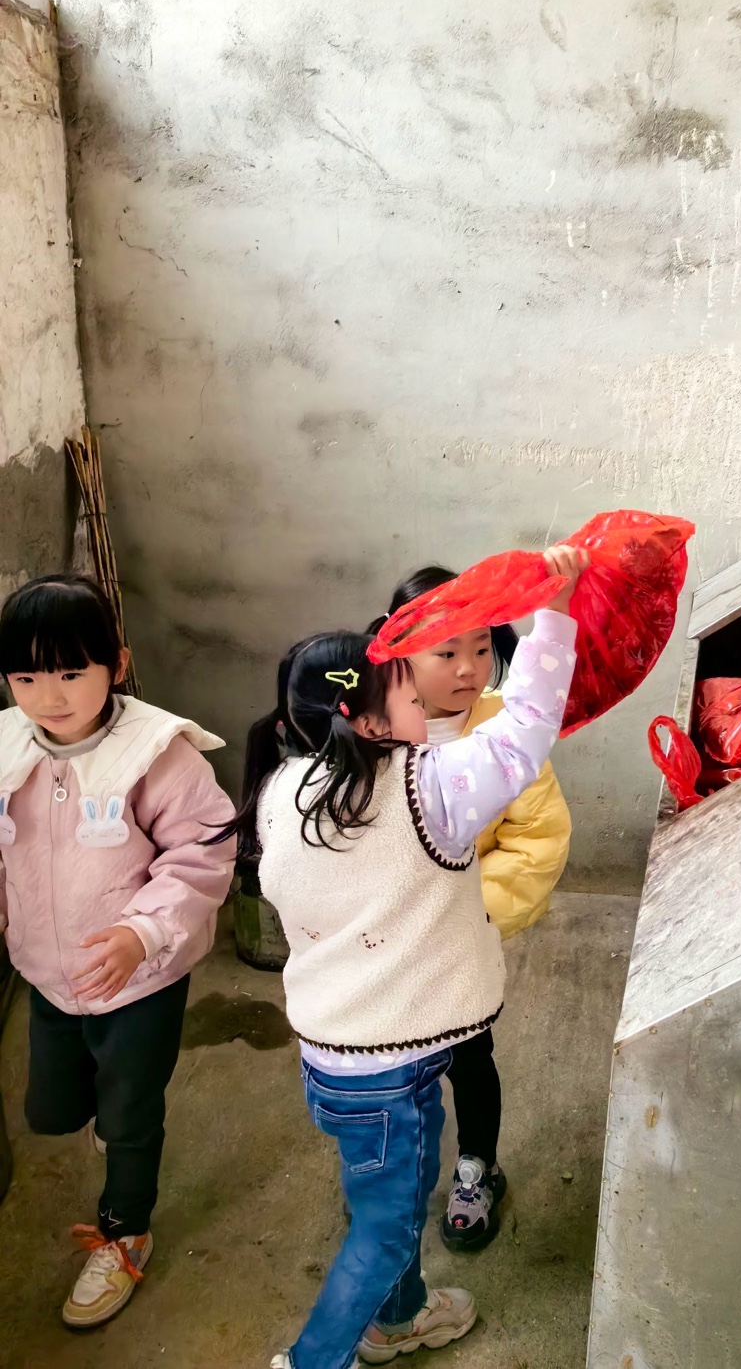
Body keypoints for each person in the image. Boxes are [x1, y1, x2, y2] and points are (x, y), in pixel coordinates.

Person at [215, 545, 584, 1369]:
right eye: (411, 693)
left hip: (330, 1061)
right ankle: (314, 1359)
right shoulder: (433, 788)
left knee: (383, 1202)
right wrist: (555, 612)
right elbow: (526, 729)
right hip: (392, 1068)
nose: (433, 696)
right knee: (384, 1231)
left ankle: (400, 1317)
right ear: (375, 722)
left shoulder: (282, 791)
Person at [0, 575, 236, 1327]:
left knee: (131, 1112)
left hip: (140, 979)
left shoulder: (157, 755)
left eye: (72, 672)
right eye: (25, 676)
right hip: (46, 971)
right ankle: (108, 1118)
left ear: (118, 664)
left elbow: (203, 850)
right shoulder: (6, 742)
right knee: (52, 1109)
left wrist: (144, 932)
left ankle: (126, 1229)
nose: (48, 695)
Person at [384, 565, 572, 1252]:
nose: (469, 668)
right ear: (400, 654)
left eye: (482, 648)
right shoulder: (376, 732)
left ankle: (476, 1167)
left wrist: (468, 915)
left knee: (469, 1056)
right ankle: (390, 1178)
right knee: (394, 1067)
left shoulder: (504, 733)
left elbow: (536, 839)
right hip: (388, 947)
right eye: (446, 652)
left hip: (463, 939)